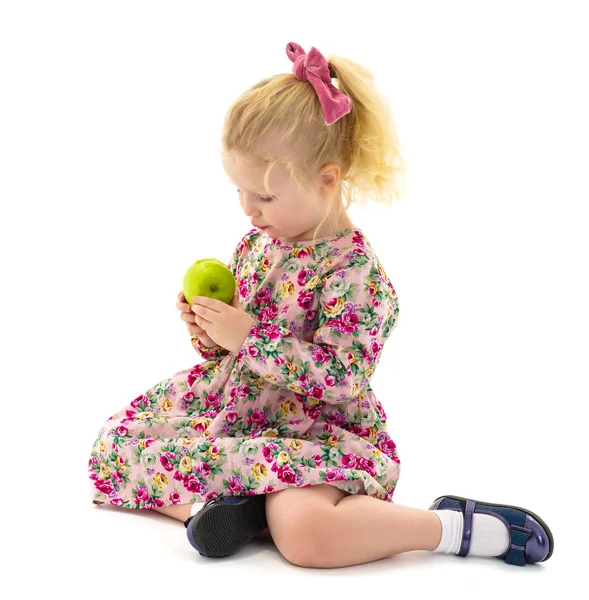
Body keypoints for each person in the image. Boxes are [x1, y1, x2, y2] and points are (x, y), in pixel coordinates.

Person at [88, 41, 553, 569]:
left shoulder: (355, 275)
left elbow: (340, 378)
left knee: (306, 536)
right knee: (116, 446)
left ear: (327, 180)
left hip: (312, 431)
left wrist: (249, 338)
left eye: (262, 197)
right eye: (239, 192)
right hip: (240, 416)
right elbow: (228, 355)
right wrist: (208, 329)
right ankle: (229, 506)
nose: (248, 210)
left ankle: (453, 527)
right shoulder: (257, 244)